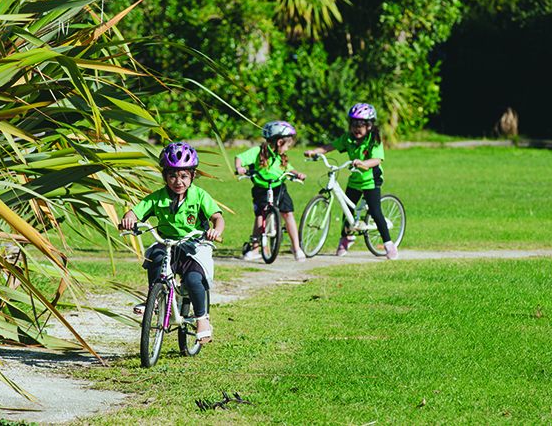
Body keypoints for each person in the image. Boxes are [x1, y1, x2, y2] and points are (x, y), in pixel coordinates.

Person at [120, 142, 224, 344]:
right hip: (167, 243)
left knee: (194, 280)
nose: (178, 181)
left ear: (192, 176)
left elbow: (218, 218)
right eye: (172, 176)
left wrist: (215, 230)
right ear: (165, 177)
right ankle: (155, 298)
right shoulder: (158, 198)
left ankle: (202, 319)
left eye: (184, 176)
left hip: (194, 247)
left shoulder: (200, 196)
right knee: (155, 258)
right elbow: (136, 211)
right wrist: (128, 219)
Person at [304, 103, 399, 260]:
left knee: (375, 212)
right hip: (355, 180)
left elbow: (377, 159)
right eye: (354, 124)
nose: (356, 129)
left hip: (370, 181)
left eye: (360, 125)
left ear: (369, 126)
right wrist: (314, 151)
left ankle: (389, 244)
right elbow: (330, 146)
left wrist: (363, 163)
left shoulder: (373, 140)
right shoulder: (348, 138)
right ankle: (346, 238)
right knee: (346, 209)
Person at [235, 121, 307, 262]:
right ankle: (255, 249)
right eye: (287, 145)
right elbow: (240, 158)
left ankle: (296, 247)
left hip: (279, 187)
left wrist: (297, 173)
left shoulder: (279, 154)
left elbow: (288, 168)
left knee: (288, 214)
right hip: (261, 189)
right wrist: (239, 168)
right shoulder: (257, 151)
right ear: (280, 142)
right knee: (260, 216)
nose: (287, 149)